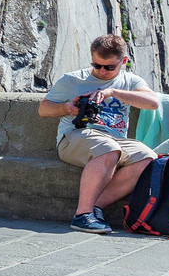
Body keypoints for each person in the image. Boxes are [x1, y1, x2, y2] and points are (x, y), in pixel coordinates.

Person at [41, 33, 161, 234]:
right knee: (108, 149)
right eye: (97, 65)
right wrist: (67, 108)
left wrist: (113, 92)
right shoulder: (73, 80)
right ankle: (82, 215)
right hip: (75, 136)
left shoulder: (130, 81)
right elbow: (43, 109)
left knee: (148, 158)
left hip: (115, 138)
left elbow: (153, 103)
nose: (102, 71)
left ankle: (95, 208)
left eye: (109, 67)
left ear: (123, 61)